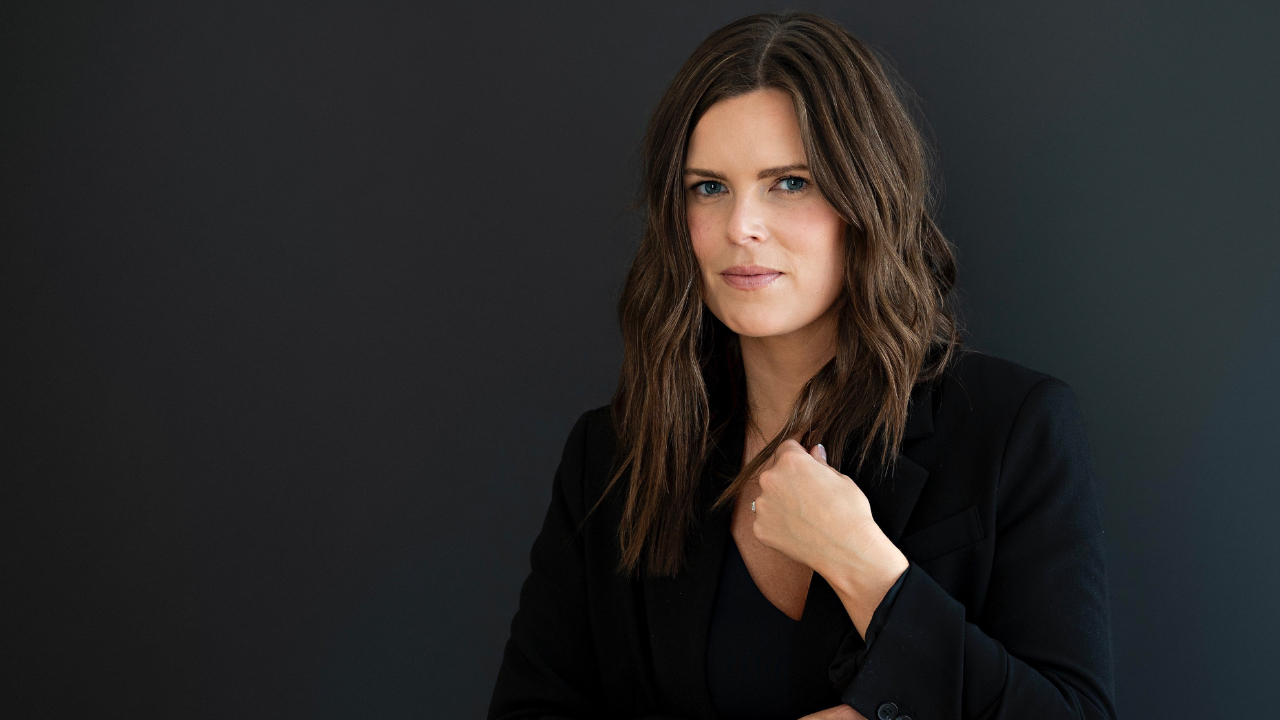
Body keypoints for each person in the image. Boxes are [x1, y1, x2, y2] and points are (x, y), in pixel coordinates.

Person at [488, 11, 1116, 720]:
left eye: (789, 183)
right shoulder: (611, 457)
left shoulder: (1012, 431)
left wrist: (862, 565)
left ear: (866, 198)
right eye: (708, 187)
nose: (740, 227)